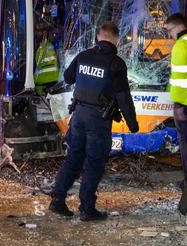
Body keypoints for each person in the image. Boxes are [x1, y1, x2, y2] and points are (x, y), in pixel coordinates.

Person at [49, 23, 139, 221]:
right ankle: (87, 209)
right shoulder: (115, 63)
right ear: (116, 39)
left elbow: (68, 77)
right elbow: (124, 97)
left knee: (73, 159)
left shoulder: (83, 56)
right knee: (94, 164)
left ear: (98, 36)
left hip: (78, 116)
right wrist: (133, 125)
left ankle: (57, 199)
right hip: (98, 121)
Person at [165, 13, 187, 188]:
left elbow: (178, 78)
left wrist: (178, 103)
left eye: (169, 30)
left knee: (185, 143)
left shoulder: (181, 45)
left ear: (178, 27)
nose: (169, 35)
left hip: (183, 104)